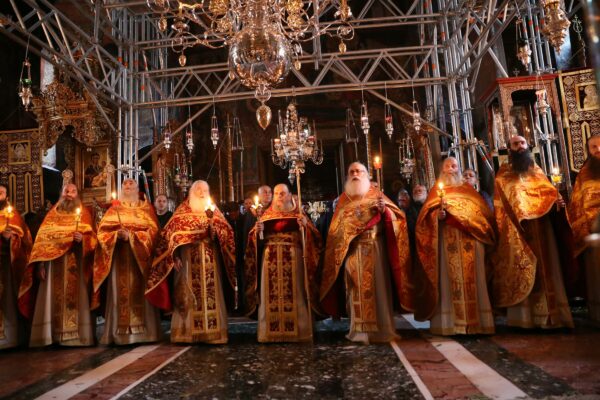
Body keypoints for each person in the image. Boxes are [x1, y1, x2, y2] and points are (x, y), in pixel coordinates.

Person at [320, 162, 413, 343]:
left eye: (359, 171)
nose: (355, 174)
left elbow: (397, 221)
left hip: (376, 250)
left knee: (379, 290)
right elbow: (335, 232)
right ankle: (359, 331)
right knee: (355, 290)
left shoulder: (378, 196)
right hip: (353, 252)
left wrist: (385, 212)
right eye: (352, 171)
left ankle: (383, 330)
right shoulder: (344, 200)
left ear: (366, 175)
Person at [491, 135, 573, 329]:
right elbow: (502, 206)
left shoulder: (537, 171)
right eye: (515, 144)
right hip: (519, 231)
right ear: (509, 149)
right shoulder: (503, 175)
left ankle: (552, 317)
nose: (520, 146)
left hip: (542, 228)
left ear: (528, 146)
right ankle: (525, 319)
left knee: (548, 270)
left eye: (522, 143)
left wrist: (556, 202)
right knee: (525, 271)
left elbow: (548, 194)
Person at [146, 181, 236, 344]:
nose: (202, 193)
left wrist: (215, 232)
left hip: (210, 258)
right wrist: (174, 256)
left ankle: (214, 332)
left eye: (205, 190)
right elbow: (169, 236)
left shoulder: (214, 211)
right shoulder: (182, 211)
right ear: (192, 192)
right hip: (187, 258)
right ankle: (186, 333)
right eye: (198, 190)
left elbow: (226, 233)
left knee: (211, 294)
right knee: (188, 294)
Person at [415, 158, 496, 335]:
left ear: (458, 168)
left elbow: (482, 215)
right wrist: (437, 216)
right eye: (447, 166)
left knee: (475, 280)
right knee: (448, 282)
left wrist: (469, 222)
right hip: (447, 242)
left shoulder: (469, 191)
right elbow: (424, 219)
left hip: (472, 241)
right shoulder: (436, 192)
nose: (451, 169)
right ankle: (449, 323)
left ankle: (478, 323)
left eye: (454, 166)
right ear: (442, 169)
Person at [19, 184, 97, 347]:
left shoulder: (84, 213)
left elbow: (93, 239)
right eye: (66, 191)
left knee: (77, 299)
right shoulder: (52, 215)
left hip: (76, 263)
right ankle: (51, 336)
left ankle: (77, 338)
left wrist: (82, 240)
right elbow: (42, 241)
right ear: (61, 193)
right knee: (51, 300)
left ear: (77, 195)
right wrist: (40, 265)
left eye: (73, 191)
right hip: (53, 266)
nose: (69, 194)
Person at [244, 183, 322, 342]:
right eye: (277, 193)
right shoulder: (266, 215)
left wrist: (305, 227)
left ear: (289, 195)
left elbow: (315, 238)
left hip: (294, 258)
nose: (280, 196)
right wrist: (258, 232)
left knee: (296, 292)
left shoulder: (298, 213)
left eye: (283, 193)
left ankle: (300, 330)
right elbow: (254, 241)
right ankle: (270, 332)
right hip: (269, 258)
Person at [93, 178, 161, 344]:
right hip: (119, 259)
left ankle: (146, 333)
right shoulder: (113, 210)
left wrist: (131, 236)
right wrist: (116, 235)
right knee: (119, 294)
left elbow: (154, 233)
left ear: (137, 188)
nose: (128, 186)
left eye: (131, 184)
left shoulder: (146, 208)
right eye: (125, 184)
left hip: (141, 262)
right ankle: (119, 335)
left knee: (141, 294)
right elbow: (102, 233)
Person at [568, 135, 600, 321]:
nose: (598, 150)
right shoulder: (584, 174)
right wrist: (584, 231)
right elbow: (577, 205)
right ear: (588, 150)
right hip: (594, 235)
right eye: (594, 147)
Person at [0, 186, 31, 350]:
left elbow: (25, 241)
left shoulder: (14, 217)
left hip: (7, 266)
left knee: (7, 299)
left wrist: (11, 239)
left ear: (7, 197)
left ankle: (9, 339)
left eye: (1, 193)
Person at [238, 185, 273, 313]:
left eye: (269, 192)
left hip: (270, 250)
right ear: (259, 195)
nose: (267, 194)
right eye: (264, 192)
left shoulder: (275, 210)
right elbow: (246, 233)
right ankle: (257, 306)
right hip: (256, 250)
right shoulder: (252, 213)